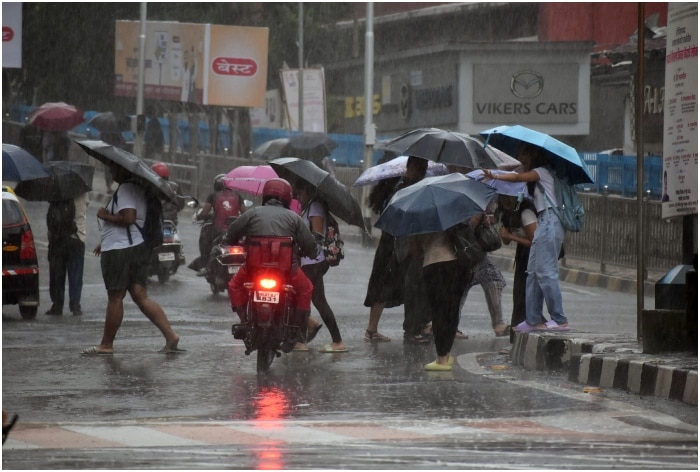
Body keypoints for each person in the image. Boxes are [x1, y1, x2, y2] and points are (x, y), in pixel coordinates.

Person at [82, 162, 182, 355]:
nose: (111, 172)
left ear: (123, 169)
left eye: (113, 169)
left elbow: (129, 218)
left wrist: (104, 215)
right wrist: (105, 241)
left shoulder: (127, 188)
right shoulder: (138, 188)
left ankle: (106, 344)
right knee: (140, 295)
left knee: (116, 296)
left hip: (122, 251)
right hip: (136, 247)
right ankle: (171, 336)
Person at [224, 178, 319, 350]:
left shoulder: (252, 213)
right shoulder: (294, 218)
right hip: (287, 271)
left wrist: (233, 240)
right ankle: (295, 331)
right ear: (287, 197)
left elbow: (231, 234)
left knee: (234, 285)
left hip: (253, 270)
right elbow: (311, 247)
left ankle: (244, 321)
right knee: (306, 289)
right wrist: (312, 250)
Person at [482, 144, 569, 332]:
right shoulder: (532, 177)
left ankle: (559, 319)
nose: (520, 157)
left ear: (534, 155)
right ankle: (533, 319)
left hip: (551, 220)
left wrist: (495, 175)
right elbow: (517, 177)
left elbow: (518, 177)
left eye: (523, 153)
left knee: (546, 273)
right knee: (531, 273)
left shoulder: (543, 172)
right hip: (544, 221)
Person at [363, 156, 428, 342]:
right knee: (409, 285)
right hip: (400, 243)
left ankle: (373, 329)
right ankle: (412, 328)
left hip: (389, 241)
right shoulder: (405, 188)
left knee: (384, 284)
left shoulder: (395, 185)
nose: (424, 172)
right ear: (414, 167)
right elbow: (404, 216)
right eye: (422, 167)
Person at [413, 214, 480, 371]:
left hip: (434, 265)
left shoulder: (419, 218)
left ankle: (442, 358)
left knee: (438, 312)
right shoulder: (453, 213)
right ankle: (446, 353)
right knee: (451, 310)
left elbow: (416, 251)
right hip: (457, 264)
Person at [293, 179, 347, 353]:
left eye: (300, 194)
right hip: (310, 262)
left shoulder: (315, 207)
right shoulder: (309, 207)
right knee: (317, 300)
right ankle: (331, 338)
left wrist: (303, 240)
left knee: (302, 298)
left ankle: (302, 340)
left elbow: (317, 235)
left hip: (314, 262)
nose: (298, 198)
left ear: (308, 192)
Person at [495, 193, 537, 342]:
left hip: (535, 257)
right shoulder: (507, 214)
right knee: (519, 295)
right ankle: (517, 334)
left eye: (509, 197)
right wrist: (505, 236)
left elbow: (535, 242)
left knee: (526, 296)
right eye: (502, 197)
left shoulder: (526, 213)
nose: (506, 200)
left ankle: (528, 328)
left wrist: (512, 237)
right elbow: (506, 241)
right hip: (522, 256)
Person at [189, 174, 244, 275]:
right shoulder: (238, 196)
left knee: (204, 240)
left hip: (217, 230)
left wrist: (199, 216)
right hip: (234, 231)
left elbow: (205, 212)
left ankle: (205, 265)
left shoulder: (213, 196)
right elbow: (244, 213)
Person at [45, 192, 89, 317]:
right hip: (77, 237)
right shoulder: (82, 192)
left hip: (57, 239)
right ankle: (75, 305)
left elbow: (52, 217)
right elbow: (84, 209)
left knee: (56, 275)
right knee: (75, 274)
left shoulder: (55, 190)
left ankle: (57, 305)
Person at [151, 162, 184, 227]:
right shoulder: (175, 186)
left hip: (154, 222)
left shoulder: (151, 186)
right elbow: (181, 205)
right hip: (171, 223)